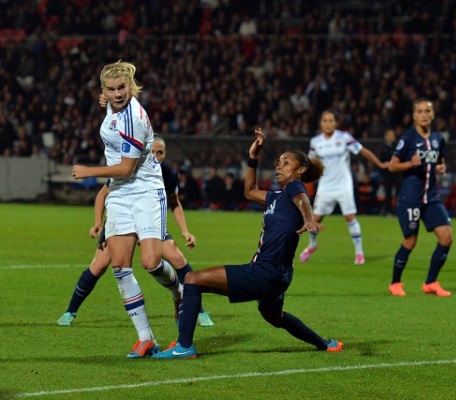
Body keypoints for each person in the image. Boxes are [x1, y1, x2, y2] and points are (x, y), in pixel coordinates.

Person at [151, 128, 343, 359]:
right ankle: (325, 344)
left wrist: (309, 218)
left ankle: (184, 346)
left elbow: (302, 199)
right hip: (279, 275)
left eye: (286, 162)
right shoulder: (276, 197)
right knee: (274, 316)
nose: (279, 166)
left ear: (300, 170)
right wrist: (253, 157)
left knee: (192, 279)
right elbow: (250, 191)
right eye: (279, 163)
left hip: (265, 272)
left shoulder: (294, 187)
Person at [71, 61, 173, 358]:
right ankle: (146, 339)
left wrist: (90, 169)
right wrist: (104, 102)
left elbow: (127, 169)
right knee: (119, 267)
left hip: (145, 192)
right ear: (103, 90)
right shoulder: (112, 105)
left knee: (152, 262)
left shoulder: (135, 119)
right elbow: (108, 107)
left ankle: (179, 293)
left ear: (132, 86)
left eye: (122, 88)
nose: (117, 94)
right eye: (111, 90)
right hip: (119, 195)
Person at [58, 137, 215, 328]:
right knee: (99, 265)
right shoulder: (131, 167)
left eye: (161, 153)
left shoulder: (168, 174)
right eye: (153, 152)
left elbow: (174, 202)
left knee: (177, 257)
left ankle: (198, 310)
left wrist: (185, 231)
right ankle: (70, 312)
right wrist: (98, 223)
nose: (156, 156)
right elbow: (102, 195)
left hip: (148, 221)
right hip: (123, 220)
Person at [299, 110, 389, 265]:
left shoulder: (344, 138)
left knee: (349, 217)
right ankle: (312, 245)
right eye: (325, 120)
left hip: (343, 185)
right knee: (315, 219)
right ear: (321, 124)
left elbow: (362, 151)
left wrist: (379, 164)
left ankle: (359, 253)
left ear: (335, 123)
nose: (328, 123)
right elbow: (310, 163)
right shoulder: (316, 142)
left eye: (331, 120)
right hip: (325, 186)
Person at [387, 99, 453, 297]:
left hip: (431, 198)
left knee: (446, 237)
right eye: (420, 111)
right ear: (414, 116)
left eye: (427, 111)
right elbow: (392, 166)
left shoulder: (438, 138)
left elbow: (440, 161)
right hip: (411, 199)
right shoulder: (408, 139)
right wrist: (411, 163)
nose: (424, 114)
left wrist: (441, 167)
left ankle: (431, 282)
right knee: (410, 241)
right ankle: (395, 283)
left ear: (432, 115)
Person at [379, 129, 403, 216]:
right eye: (390, 135)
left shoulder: (397, 147)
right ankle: (388, 211)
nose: (391, 137)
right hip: (387, 174)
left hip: (397, 174)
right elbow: (381, 161)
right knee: (388, 194)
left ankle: (398, 211)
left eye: (392, 135)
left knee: (399, 194)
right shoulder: (383, 148)